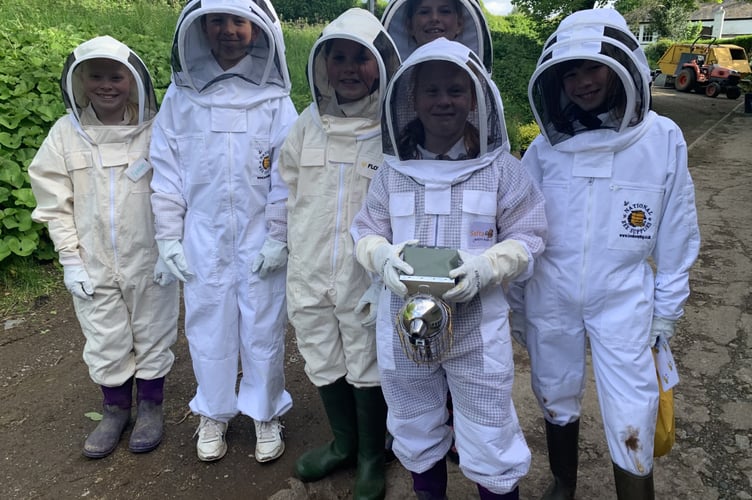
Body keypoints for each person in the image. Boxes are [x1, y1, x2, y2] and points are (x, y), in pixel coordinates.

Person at [516, 9, 700, 500]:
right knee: (554, 391)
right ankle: (562, 482)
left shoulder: (661, 140)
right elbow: (520, 230)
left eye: (593, 68)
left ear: (622, 68)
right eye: (570, 72)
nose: (582, 82)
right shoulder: (543, 150)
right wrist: (517, 303)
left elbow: (677, 236)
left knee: (633, 403)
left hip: (623, 296)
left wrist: (666, 311)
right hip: (549, 292)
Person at [352, 38, 547, 500]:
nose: (444, 101)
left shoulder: (502, 169)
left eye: (457, 91)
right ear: (411, 100)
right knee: (414, 423)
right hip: (404, 325)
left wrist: (487, 266)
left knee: (489, 430)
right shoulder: (392, 171)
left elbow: (531, 234)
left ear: (476, 99)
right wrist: (380, 257)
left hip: (477, 327)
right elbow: (365, 229)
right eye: (432, 91)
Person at [149, 0, 298, 464]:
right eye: (218, 21)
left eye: (239, 21)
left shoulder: (275, 98)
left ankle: (265, 410)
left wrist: (278, 235)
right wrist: (168, 237)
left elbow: (286, 174)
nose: (229, 31)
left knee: (263, 326)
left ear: (258, 29)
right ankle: (213, 409)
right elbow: (167, 171)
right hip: (203, 233)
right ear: (200, 29)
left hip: (259, 234)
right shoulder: (181, 96)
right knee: (207, 326)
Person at [28, 35, 179, 459]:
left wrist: (172, 245)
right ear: (79, 82)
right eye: (96, 76)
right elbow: (54, 203)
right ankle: (114, 409)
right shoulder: (64, 135)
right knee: (104, 335)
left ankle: (151, 406)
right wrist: (69, 259)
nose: (107, 85)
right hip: (91, 259)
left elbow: (175, 189)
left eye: (116, 76)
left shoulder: (155, 131)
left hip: (149, 256)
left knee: (153, 330)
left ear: (133, 81)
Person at [278, 9, 401, 498]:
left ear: (381, 64)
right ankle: (343, 443)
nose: (349, 68)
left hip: (363, 272)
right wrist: (276, 242)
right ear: (322, 64)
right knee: (320, 354)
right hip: (307, 267)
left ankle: (372, 455)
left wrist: (384, 270)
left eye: (361, 59)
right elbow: (284, 189)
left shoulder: (392, 127)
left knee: (365, 359)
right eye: (339, 57)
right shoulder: (307, 124)